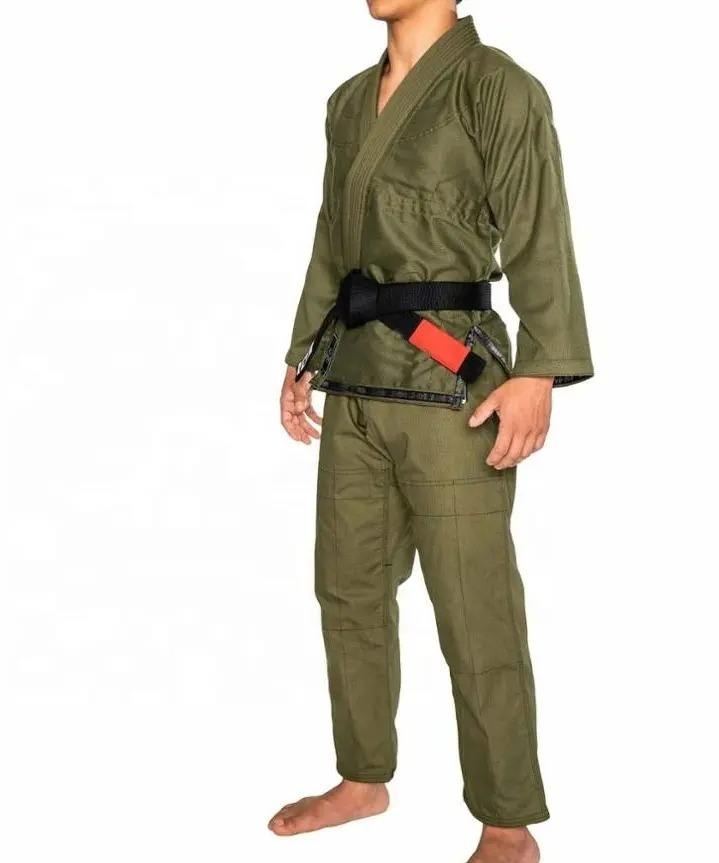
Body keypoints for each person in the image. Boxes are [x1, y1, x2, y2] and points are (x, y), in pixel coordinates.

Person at [269, 1, 593, 860]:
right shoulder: (348, 101)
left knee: (474, 608)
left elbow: (539, 229)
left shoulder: (497, 89)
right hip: (356, 379)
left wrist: (539, 370)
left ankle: (506, 819)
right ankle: (363, 775)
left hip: (451, 387)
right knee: (347, 589)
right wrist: (305, 355)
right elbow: (332, 240)